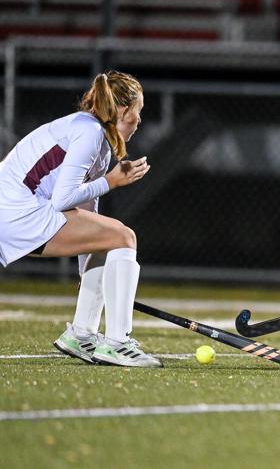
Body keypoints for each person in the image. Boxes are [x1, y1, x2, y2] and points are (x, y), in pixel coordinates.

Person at [0, 70, 162, 368]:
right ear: (123, 110)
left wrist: (85, 271)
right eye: (137, 113)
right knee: (124, 237)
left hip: (13, 211)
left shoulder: (94, 135)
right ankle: (117, 343)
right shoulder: (89, 133)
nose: (139, 121)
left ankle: (82, 335)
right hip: (17, 212)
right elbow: (64, 200)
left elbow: (86, 213)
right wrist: (111, 182)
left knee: (112, 237)